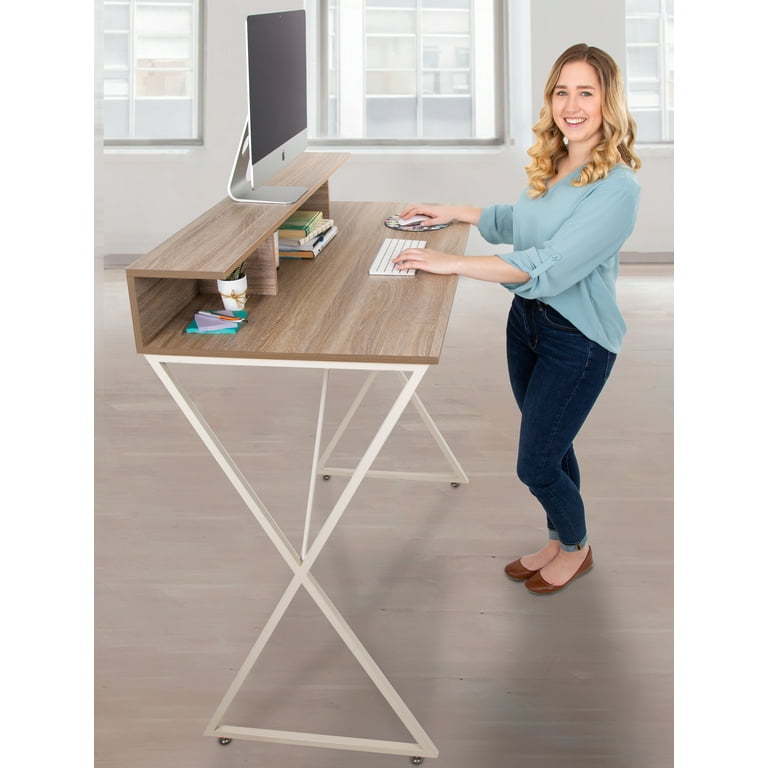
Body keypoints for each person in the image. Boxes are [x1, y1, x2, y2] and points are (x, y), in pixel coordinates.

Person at [393, 44, 641, 595]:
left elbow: (546, 266)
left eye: (586, 92)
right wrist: (454, 212)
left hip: (576, 343)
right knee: (555, 444)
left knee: (536, 463)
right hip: (527, 324)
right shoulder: (556, 161)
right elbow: (521, 225)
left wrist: (451, 263)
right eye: (561, 91)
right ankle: (558, 539)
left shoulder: (618, 188)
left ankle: (576, 547)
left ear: (609, 102)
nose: (571, 105)